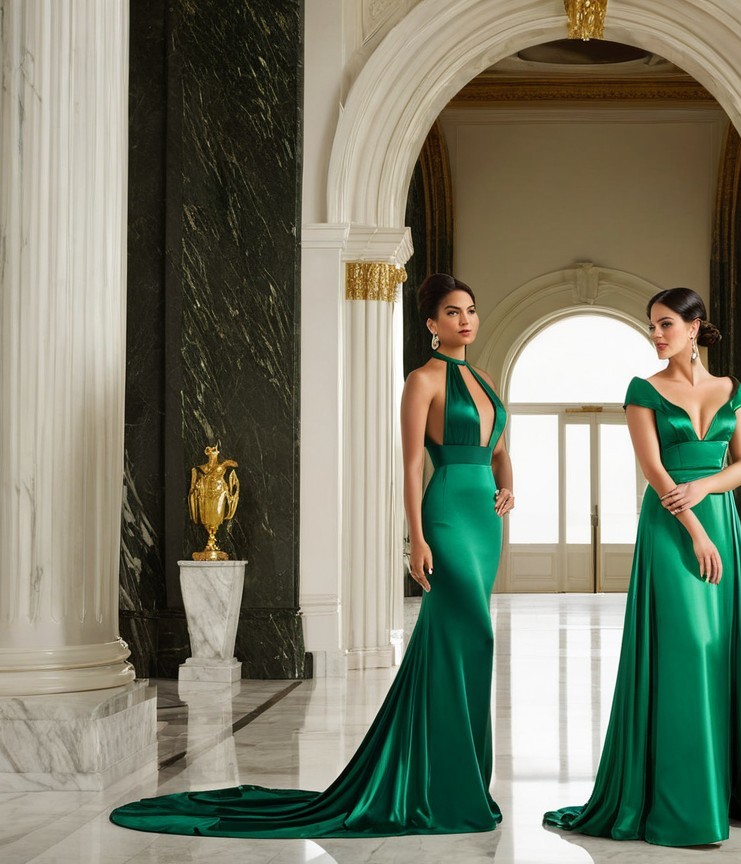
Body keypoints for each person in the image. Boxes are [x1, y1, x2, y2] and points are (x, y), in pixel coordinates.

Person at [109, 273, 513, 838]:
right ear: (430, 324)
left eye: (470, 309)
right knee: (469, 632)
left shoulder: (484, 377)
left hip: (484, 522)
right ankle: (443, 779)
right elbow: (412, 467)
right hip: (445, 514)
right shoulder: (421, 380)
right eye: (451, 312)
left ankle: (461, 776)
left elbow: (498, 447)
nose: (465, 319)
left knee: (468, 641)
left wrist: (508, 484)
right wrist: (416, 538)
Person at [543, 287, 741, 847]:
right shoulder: (642, 391)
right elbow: (654, 470)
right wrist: (697, 527)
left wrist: (707, 487)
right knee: (687, 651)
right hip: (673, 529)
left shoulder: (733, 390)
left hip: (720, 519)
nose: (656, 334)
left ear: (695, 327)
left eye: (665, 324)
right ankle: (683, 806)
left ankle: (726, 793)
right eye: (651, 326)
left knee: (717, 653)